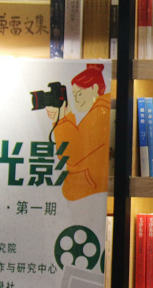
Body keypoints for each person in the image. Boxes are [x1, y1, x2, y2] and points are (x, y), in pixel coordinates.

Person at [46, 63, 111, 201]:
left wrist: (61, 119)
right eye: (74, 95)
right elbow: (78, 142)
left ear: (94, 88)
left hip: (89, 193)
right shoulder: (100, 109)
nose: (76, 99)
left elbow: (70, 154)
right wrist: (66, 116)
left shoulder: (101, 111)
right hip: (89, 191)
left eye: (79, 94)